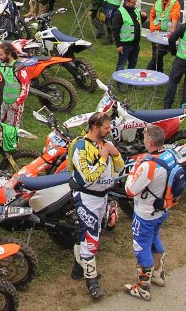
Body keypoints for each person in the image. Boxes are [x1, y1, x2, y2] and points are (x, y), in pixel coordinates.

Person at [68, 113, 124, 299]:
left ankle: (78, 269)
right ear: (94, 127)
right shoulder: (80, 147)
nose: (109, 131)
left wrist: (115, 155)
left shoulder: (107, 144)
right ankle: (91, 282)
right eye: (106, 128)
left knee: (91, 232)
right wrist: (103, 158)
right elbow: (87, 178)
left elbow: (120, 168)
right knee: (90, 238)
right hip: (86, 198)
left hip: (102, 197)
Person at [123, 125, 173, 301]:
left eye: (144, 136)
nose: (143, 138)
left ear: (150, 141)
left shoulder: (148, 166)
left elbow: (130, 190)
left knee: (141, 246)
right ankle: (158, 275)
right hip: (162, 210)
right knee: (154, 239)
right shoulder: (169, 155)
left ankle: (143, 288)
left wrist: (135, 168)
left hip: (145, 213)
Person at [0, 42, 30, 156]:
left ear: (9, 54)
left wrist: (18, 102)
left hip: (15, 104)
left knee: (13, 127)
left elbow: (26, 87)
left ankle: (13, 150)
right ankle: (3, 145)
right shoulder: (2, 65)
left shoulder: (19, 68)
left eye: (1, 55)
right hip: (3, 102)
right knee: (0, 123)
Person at [146, 0, 181, 72]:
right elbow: (152, 14)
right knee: (156, 54)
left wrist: (172, 31)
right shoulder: (158, 1)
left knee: (158, 54)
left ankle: (147, 70)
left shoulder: (175, 3)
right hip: (155, 31)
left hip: (166, 33)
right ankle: (159, 71)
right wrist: (152, 26)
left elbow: (175, 17)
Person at [111, 0, 141, 71]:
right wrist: (118, 45)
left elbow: (137, 24)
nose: (135, 4)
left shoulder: (135, 10)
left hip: (135, 44)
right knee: (121, 66)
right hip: (125, 45)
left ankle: (130, 79)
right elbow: (115, 30)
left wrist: (144, 17)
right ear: (127, 2)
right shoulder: (119, 13)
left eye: (135, 2)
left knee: (132, 65)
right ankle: (119, 79)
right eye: (133, 2)